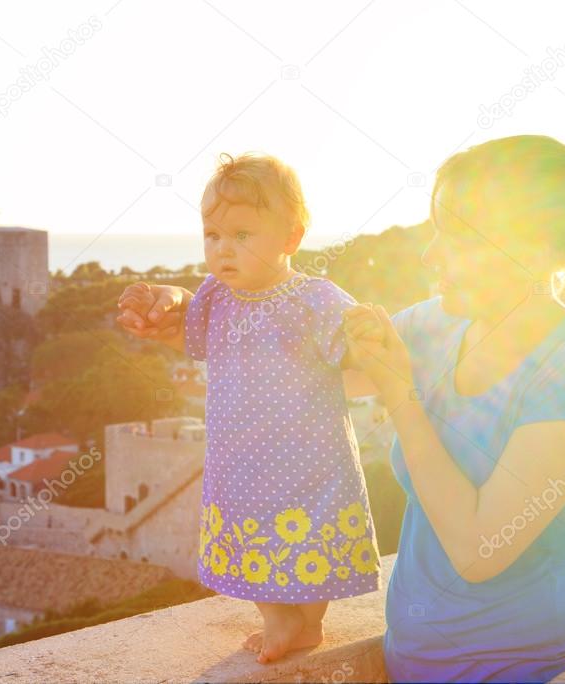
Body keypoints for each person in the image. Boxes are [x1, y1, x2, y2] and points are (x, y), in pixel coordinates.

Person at [341, 135, 565, 682]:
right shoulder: (434, 326)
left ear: (526, 247)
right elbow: (318, 375)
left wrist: (403, 401)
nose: (430, 255)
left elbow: (481, 550)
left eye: (456, 237)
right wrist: (192, 321)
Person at [117, 152, 383, 664]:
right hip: (241, 460)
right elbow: (187, 330)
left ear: (290, 238)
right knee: (249, 532)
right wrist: (161, 304)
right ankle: (277, 617)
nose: (223, 251)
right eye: (212, 237)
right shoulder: (217, 296)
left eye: (242, 236)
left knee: (310, 542)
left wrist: (365, 335)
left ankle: (307, 622)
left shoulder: (315, 298)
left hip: (310, 461)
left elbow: (357, 349)